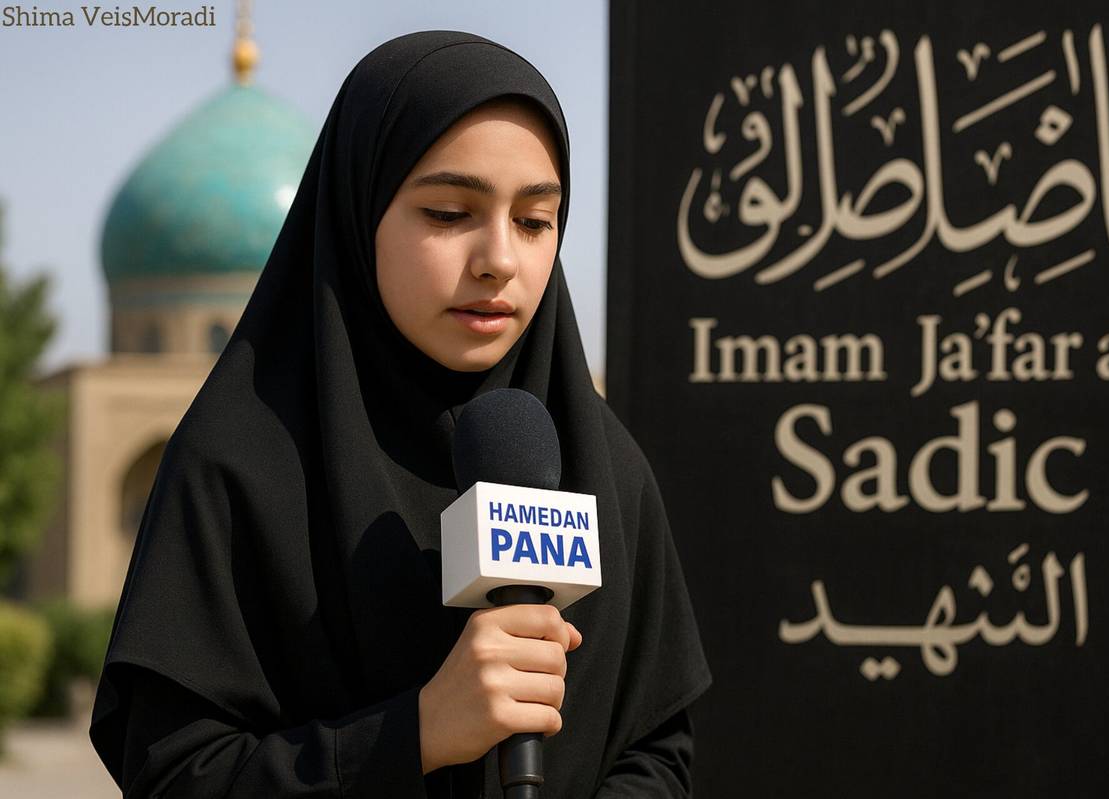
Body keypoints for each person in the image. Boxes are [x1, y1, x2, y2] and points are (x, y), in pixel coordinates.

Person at [89, 30, 712, 798]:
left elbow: (655, 748)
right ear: (358, 211)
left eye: (534, 220)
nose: (499, 260)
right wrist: (413, 733)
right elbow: (175, 772)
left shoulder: (602, 464)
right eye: (449, 212)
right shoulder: (242, 466)